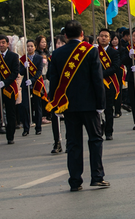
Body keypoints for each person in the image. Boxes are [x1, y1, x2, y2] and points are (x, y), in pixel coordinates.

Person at [46, 20, 109, 191]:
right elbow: (97, 79)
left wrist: (55, 105)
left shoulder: (57, 54)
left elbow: (54, 81)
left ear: (65, 36)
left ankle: (75, 180)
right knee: (95, 140)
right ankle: (97, 176)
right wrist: (101, 104)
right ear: (82, 34)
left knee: (73, 143)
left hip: (68, 105)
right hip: (89, 105)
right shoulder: (90, 50)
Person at [0, 36, 19, 146]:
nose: (1, 45)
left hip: (8, 87)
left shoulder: (13, 56)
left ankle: (10, 136)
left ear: (7, 44)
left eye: (3, 43)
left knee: (10, 113)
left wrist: (5, 82)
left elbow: (15, 72)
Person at [97, 29, 122, 141]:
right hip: (96, 84)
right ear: (98, 37)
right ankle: (98, 130)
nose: (103, 38)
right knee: (97, 109)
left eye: (106, 36)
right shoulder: (94, 51)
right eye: (101, 36)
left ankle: (109, 131)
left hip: (109, 83)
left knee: (108, 109)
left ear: (109, 39)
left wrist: (101, 74)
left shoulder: (113, 52)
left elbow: (115, 67)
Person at [19, 40, 44, 136]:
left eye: (31, 46)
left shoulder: (38, 58)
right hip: (25, 83)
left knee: (37, 106)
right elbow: (20, 72)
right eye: (28, 46)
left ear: (34, 47)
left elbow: (39, 71)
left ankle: (38, 127)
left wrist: (32, 80)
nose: (29, 48)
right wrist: (25, 67)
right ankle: (26, 128)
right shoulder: (23, 59)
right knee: (25, 106)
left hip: (36, 83)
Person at [50, 34, 68, 154]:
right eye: (58, 43)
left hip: (68, 91)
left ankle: (69, 141)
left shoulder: (71, 58)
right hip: (56, 91)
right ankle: (57, 142)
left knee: (68, 118)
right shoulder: (53, 57)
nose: (59, 45)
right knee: (55, 117)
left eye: (62, 43)